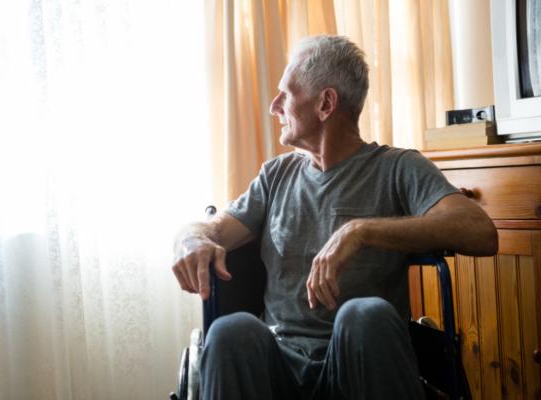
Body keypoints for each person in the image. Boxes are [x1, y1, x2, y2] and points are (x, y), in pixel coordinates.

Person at [171, 35, 497, 400]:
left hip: (357, 365)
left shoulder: (397, 168)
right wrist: (192, 238)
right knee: (230, 331)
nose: (273, 106)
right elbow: (213, 229)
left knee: (364, 315)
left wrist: (360, 230)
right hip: (279, 363)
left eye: (286, 95)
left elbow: (479, 232)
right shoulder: (276, 176)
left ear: (326, 103)